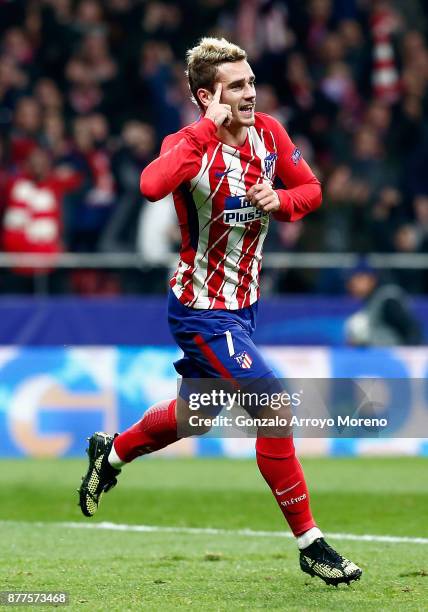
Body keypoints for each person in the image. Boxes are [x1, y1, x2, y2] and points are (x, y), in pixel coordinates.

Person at [78, 37, 362, 587]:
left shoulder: (271, 134)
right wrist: (207, 128)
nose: (251, 93)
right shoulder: (188, 143)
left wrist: (284, 202)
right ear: (208, 96)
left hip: (245, 306)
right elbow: (150, 184)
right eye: (238, 86)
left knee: (197, 415)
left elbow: (312, 189)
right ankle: (311, 543)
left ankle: (109, 454)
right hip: (201, 308)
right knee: (274, 406)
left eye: (252, 81)